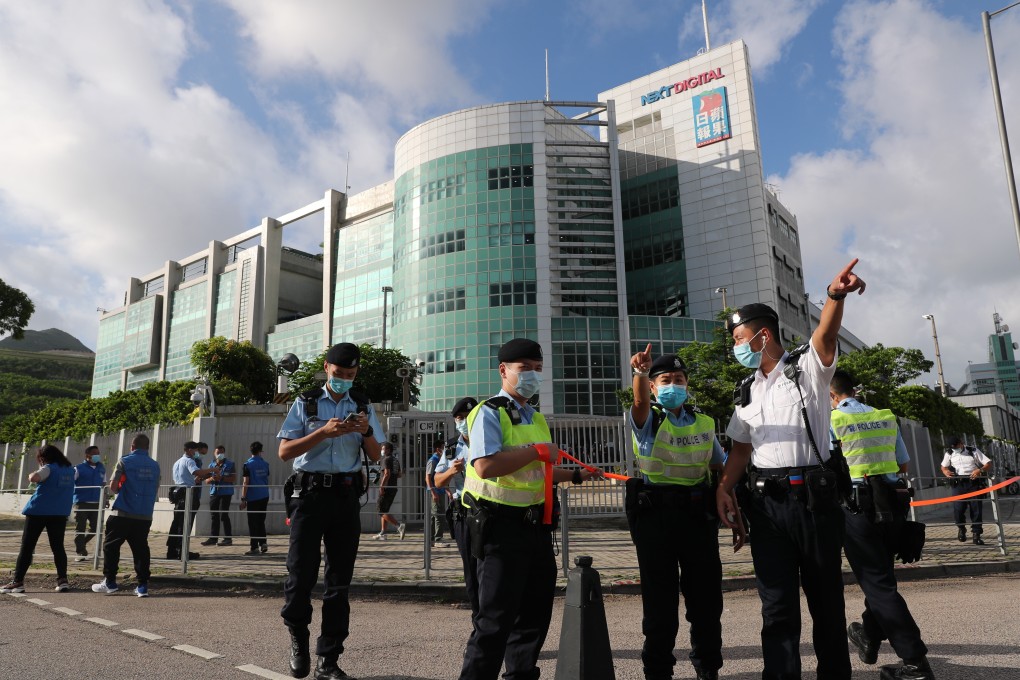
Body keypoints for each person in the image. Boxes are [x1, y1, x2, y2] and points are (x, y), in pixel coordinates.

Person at [717, 259, 866, 680]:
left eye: (740, 339)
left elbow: (826, 335)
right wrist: (724, 488)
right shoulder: (745, 390)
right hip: (767, 508)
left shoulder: (807, 371)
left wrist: (835, 297)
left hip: (813, 503)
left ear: (763, 335)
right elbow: (741, 448)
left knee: (825, 603)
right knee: (776, 606)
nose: (737, 347)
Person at [457, 338, 599, 680]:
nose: (533, 375)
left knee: (534, 617)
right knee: (494, 621)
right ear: (504, 371)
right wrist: (537, 451)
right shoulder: (488, 411)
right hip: (498, 528)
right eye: (525, 369)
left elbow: (542, 470)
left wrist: (578, 474)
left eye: (538, 369)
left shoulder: (534, 416)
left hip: (535, 528)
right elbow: (486, 466)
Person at [628, 348, 741, 680]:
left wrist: (735, 510)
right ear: (652, 387)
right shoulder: (649, 419)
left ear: (687, 384)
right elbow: (638, 405)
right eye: (665, 380)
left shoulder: (703, 422)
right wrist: (640, 373)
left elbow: (721, 468)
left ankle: (708, 667)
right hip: (656, 518)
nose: (673, 385)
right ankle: (658, 670)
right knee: (660, 606)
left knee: (706, 603)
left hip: (697, 518)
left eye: (679, 379)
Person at [277, 342, 383, 680]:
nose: (344, 380)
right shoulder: (305, 402)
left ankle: (329, 659)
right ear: (326, 368)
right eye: (339, 374)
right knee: (301, 575)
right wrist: (324, 431)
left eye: (350, 375)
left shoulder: (363, 405)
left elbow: (377, 454)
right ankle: (298, 638)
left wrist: (364, 430)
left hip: (345, 496)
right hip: (308, 495)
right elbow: (284, 451)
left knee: (339, 582)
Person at [830, 369, 935, 680]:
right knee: (881, 578)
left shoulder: (833, 421)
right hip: (892, 506)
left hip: (856, 509)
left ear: (831, 396)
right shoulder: (885, 416)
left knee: (879, 585)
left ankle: (915, 662)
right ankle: (870, 635)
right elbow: (903, 462)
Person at [91, 433, 162, 597]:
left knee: (111, 546)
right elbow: (156, 487)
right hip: (144, 514)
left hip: (123, 512)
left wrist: (119, 489)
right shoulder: (155, 465)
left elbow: (113, 487)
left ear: (132, 447)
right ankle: (142, 586)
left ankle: (110, 582)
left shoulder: (125, 461)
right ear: (148, 447)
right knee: (141, 549)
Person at [1, 445, 76, 594]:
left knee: (27, 547)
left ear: (43, 458)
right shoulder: (70, 470)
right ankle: (62, 580)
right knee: (58, 547)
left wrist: (31, 475)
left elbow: (35, 478)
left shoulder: (48, 468)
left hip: (39, 512)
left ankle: (17, 582)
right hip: (59, 513)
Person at [434, 396, 479, 614]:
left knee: (492, 570)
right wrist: (452, 471)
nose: (463, 421)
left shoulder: (491, 440)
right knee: (471, 570)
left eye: (468, 416)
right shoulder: (452, 447)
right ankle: (479, 620)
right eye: (460, 418)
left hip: (491, 512)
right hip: (464, 515)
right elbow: (437, 481)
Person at [166, 441, 214, 560]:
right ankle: (181, 552)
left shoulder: (178, 462)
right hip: (187, 494)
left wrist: (204, 476)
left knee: (177, 523)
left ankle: (172, 550)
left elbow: (191, 478)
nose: (195, 453)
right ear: (189, 450)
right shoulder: (189, 460)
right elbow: (196, 472)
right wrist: (212, 470)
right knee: (185, 524)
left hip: (179, 493)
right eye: (194, 450)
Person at [940, 436, 992, 545]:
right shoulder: (949, 453)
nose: (955, 449)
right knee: (958, 509)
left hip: (973, 483)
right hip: (958, 484)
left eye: (956, 446)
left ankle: (976, 535)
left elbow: (988, 463)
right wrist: (946, 472)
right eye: (952, 447)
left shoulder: (972, 451)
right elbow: (943, 467)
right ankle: (961, 528)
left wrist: (979, 470)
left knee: (976, 510)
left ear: (961, 443)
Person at [73, 445, 106, 561]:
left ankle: (81, 543)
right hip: (81, 502)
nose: (97, 456)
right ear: (87, 455)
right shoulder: (78, 468)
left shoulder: (101, 468)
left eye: (98, 453)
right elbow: (71, 483)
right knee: (80, 528)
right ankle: (81, 552)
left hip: (96, 503)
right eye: (95, 453)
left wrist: (105, 500)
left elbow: (103, 485)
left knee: (96, 528)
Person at [240, 441, 272, 555]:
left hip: (253, 497)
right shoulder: (265, 464)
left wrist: (243, 498)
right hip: (264, 495)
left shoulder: (247, 464)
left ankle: (254, 547)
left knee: (252, 522)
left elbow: (246, 482)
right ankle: (263, 543)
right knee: (261, 520)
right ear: (260, 451)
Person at [202, 444, 236, 547]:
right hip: (214, 493)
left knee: (224, 515)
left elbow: (233, 479)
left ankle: (228, 538)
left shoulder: (230, 464)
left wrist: (221, 478)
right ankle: (213, 538)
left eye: (221, 453)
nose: (219, 454)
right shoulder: (211, 465)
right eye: (217, 453)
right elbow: (206, 480)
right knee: (214, 515)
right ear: (214, 453)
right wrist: (212, 479)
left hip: (225, 493)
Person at [373, 442, 405, 540]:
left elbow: (387, 473)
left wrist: (382, 486)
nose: (382, 450)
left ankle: (399, 526)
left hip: (386, 488)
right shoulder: (395, 460)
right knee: (385, 510)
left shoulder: (386, 459)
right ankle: (383, 533)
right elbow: (399, 474)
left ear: (388, 450)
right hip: (393, 488)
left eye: (383, 449)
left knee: (380, 510)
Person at [425, 439, 449, 547]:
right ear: (438, 449)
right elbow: (428, 477)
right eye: (443, 447)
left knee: (436, 515)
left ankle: (431, 539)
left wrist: (448, 491)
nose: (445, 449)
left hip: (440, 490)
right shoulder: (433, 460)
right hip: (435, 492)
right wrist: (433, 492)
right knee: (438, 515)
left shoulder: (440, 460)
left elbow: (442, 478)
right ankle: (437, 539)